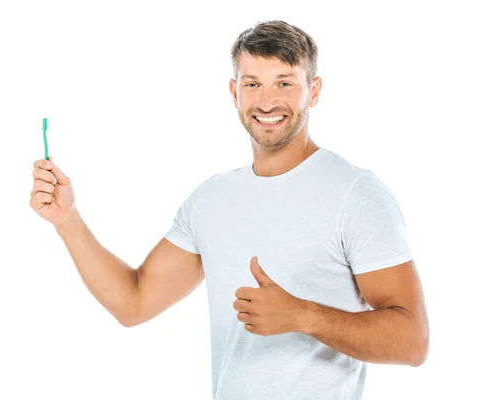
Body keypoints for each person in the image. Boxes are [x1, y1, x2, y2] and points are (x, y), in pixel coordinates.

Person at [29, 20, 429, 400]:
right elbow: (134, 303)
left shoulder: (355, 193)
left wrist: (303, 316)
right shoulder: (211, 199)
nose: (266, 101)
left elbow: (413, 340)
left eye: (285, 83)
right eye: (252, 83)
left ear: (315, 90)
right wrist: (67, 220)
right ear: (234, 92)